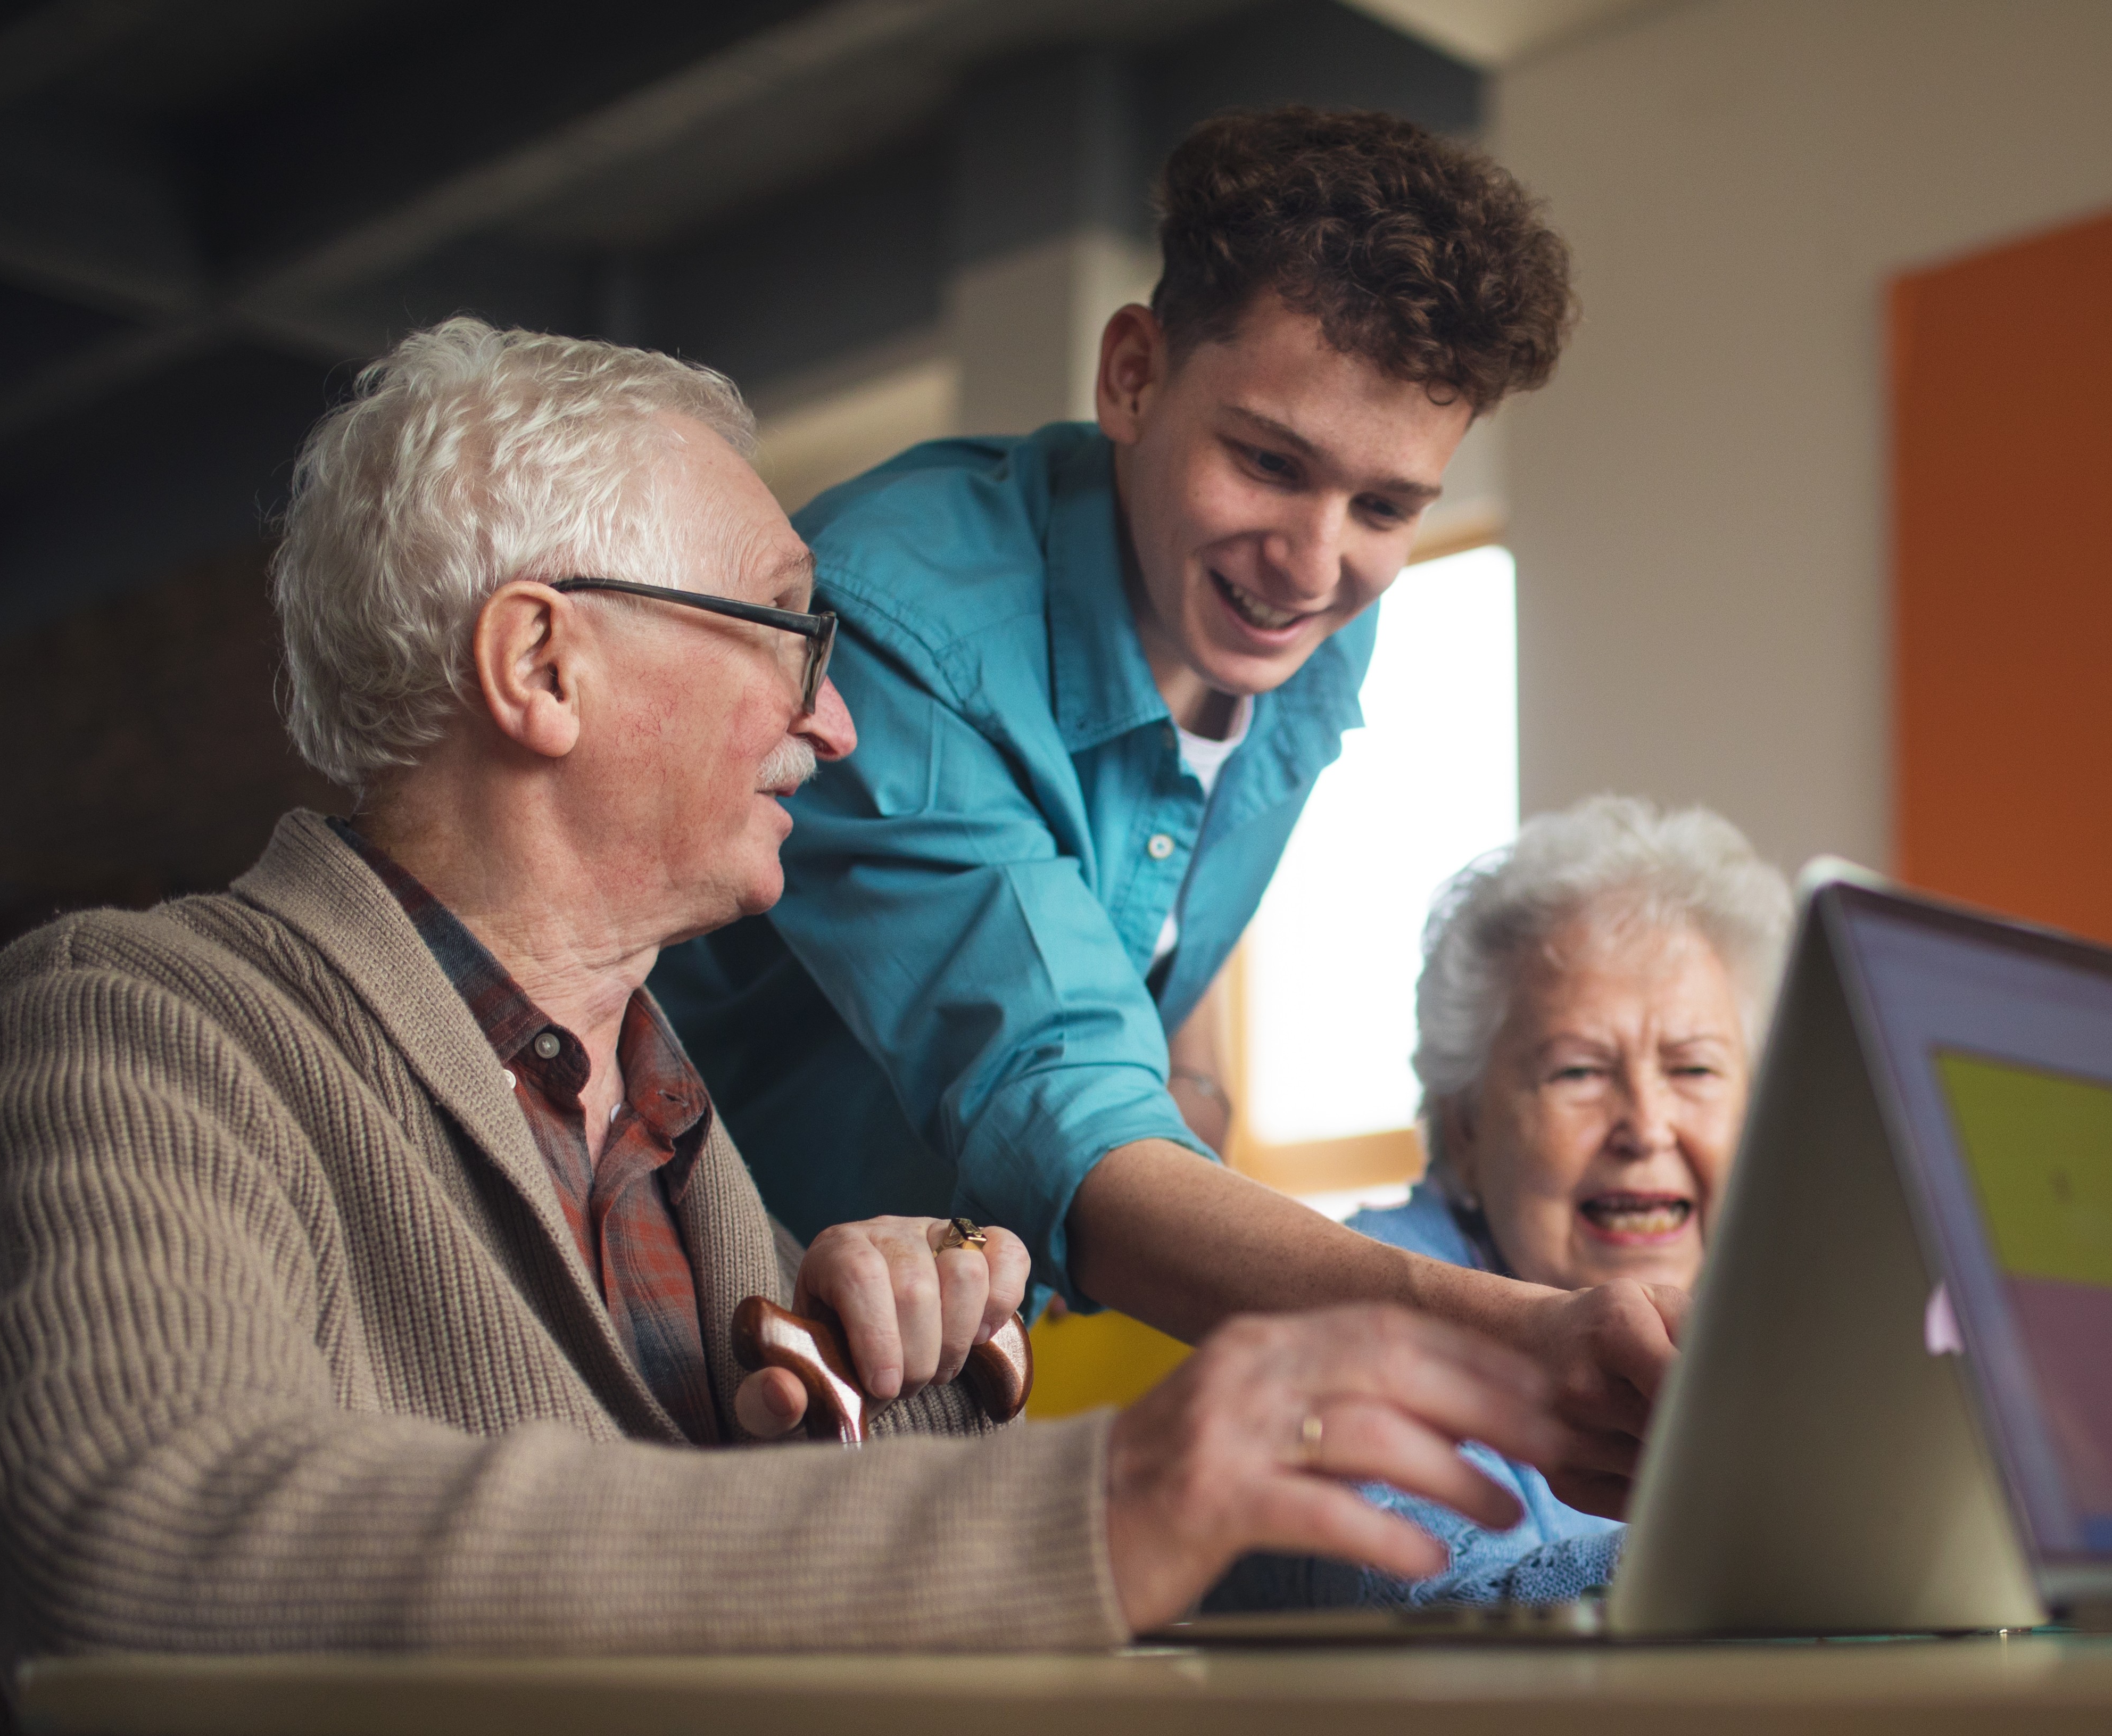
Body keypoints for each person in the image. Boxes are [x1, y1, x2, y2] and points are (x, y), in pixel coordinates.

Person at [0, 319, 1569, 1736]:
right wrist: (1089, 1502)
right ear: (544, 666)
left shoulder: (682, 1139)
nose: (833, 718)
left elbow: (724, 1609)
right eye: (787, 631)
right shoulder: (131, 1024)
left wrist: (902, 1376)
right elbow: (139, 1556)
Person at [653, 106, 1676, 1512]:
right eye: (1266, 461)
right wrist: (1497, 1336)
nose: (1312, 563)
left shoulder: (1302, 617)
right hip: (685, 1336)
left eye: (1386, 505)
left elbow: (1146, 861)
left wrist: (1181, 1066)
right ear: (1130, 375)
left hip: (934, 1350)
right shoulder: (893, 623)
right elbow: (1059, 1106)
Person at [1212, 798, 1793, 1610]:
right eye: (1577, 1072)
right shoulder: (1361, 1305)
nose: (1646, 1127)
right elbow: (1450, 1606)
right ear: (1467, 1128)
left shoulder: (1785, 1322)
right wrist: (1804, 1541)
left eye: (1693, 1070)